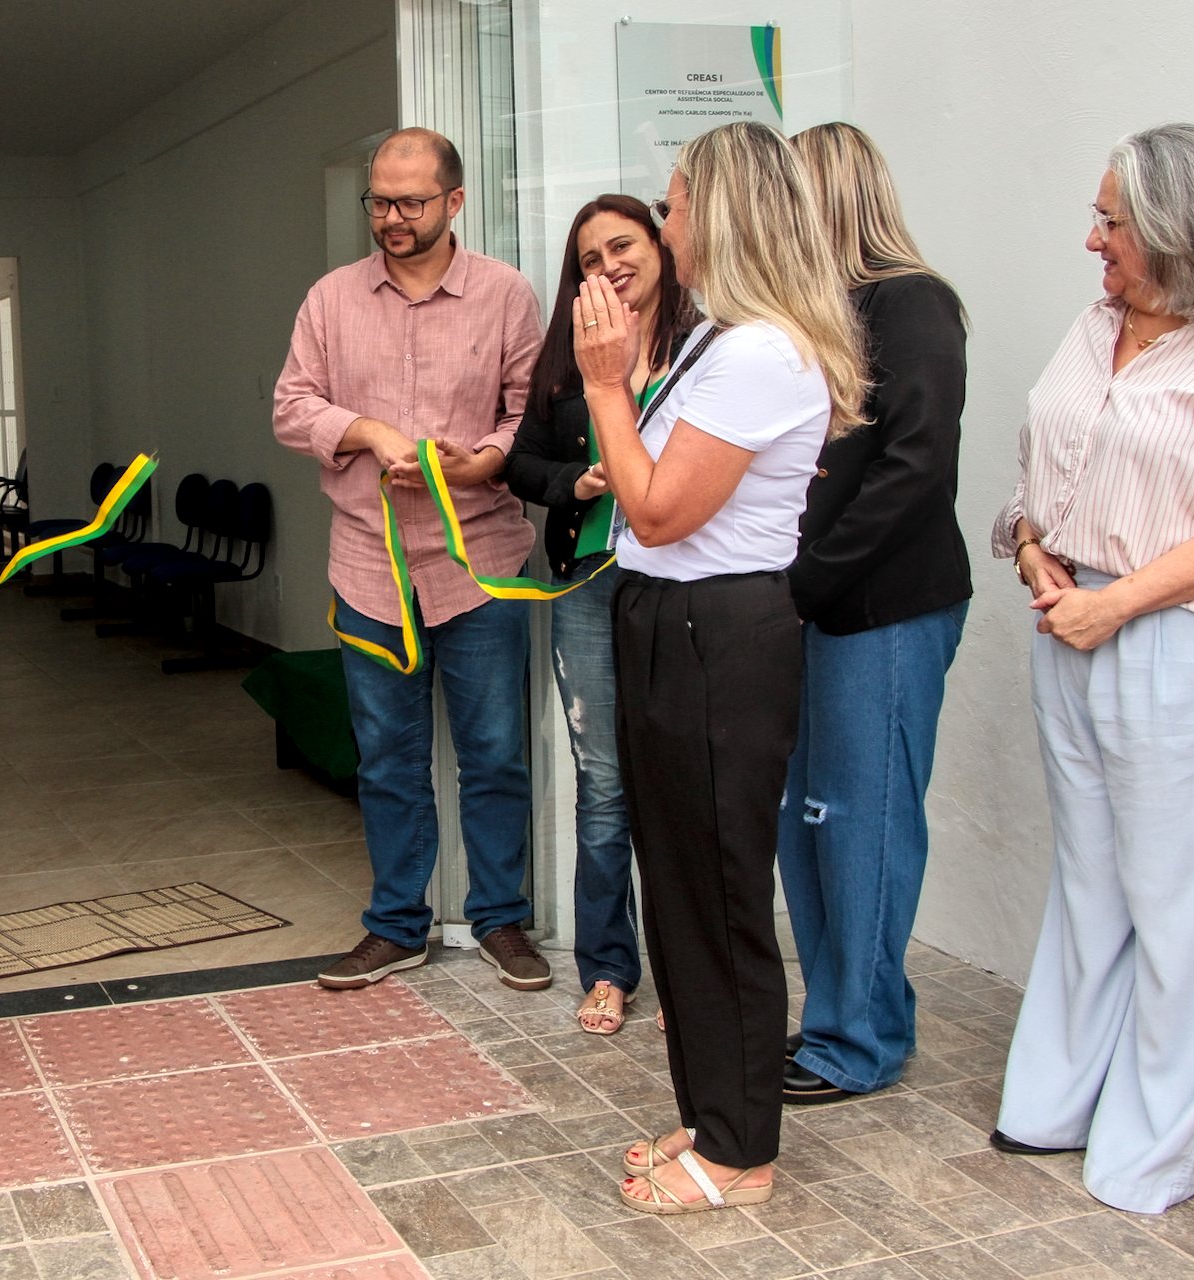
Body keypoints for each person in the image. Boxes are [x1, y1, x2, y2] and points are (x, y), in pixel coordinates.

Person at [991, 123, 1194, 1214]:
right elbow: (1044, 461)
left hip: (1185, 641)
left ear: (1179, 229)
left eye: (1112, 221)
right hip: (1071, 616)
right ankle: (1060, 1099)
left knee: (1185, 902)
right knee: (1093, 879)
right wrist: (1031, 544)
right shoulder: (1095, 325)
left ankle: (1164, 1145)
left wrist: (1116, 601)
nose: (1092, 240)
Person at [577, 120, 867, 1214]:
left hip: (718, 634)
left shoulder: (762, 352)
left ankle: (742, 1152)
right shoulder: (719, 339)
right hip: (670, 617)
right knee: (682, 890)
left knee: (721, 893)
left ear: (728, 213)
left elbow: (652, 500)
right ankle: (713, 1115)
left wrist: (606, 380)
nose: (663, 221)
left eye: (678, 201)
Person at [274, 127, 549, 993]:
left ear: (454, 202)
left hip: (481, 564)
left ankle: (502, 920)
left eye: (410, 203)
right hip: (367, 566)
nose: (390, 218)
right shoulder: (330, 298)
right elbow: (291, 407)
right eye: (379, 202)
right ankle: (398, 925)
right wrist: (362, 431)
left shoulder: (506, 295)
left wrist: (487, 460)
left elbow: (530, 418)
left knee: (495, 753)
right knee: (386, 758)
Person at [774, 123, 972, 1105]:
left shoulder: (912, 301)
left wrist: (808, 578)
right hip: (814, 608)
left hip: (885, 610)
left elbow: (915, 463)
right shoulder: (817, 315)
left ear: (826, 200)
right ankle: (831, 1019)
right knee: (802, 822)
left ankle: (862, 1040)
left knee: (862, 824)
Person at [506, 195, 693, 1035]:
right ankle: (609, 969)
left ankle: (689, 972)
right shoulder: (570, 357)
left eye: (622, 246)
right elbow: (523, 463)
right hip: (587, 581)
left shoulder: (709, 348)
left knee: (684, 779)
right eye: (589, 258)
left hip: (682, 585)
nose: (609, 266)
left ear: (660, 245)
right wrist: (573, 485)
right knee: (606, 782)